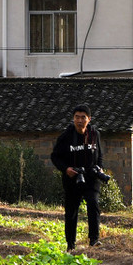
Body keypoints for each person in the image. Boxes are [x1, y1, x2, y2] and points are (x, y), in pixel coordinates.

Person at [51, 104, 105, 250]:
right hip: (72, 179)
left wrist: (99, 168)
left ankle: (94, 240)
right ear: (73, 119)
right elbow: (55, 157)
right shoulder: (65, 137)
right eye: (77, 117)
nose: (79, 120)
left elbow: (99, 155)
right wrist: (66, 169)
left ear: (89, 119)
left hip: (91, 178)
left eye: (83, 117)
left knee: (93, 204)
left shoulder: (95, 134)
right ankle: (70, 245)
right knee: (71, 212)